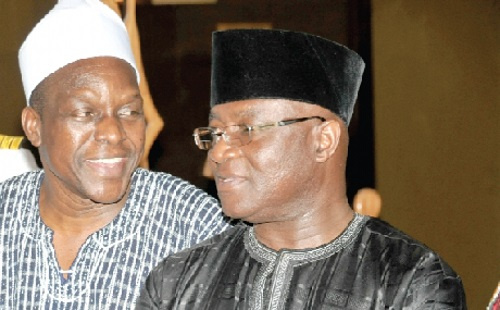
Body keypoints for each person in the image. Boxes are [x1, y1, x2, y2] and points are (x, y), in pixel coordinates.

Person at [137, 29, 467, 309]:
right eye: (216, 133)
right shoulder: (175, 283)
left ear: (323, 140)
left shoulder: (409, 282)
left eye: (246, 130)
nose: (219, 151)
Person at [0, 0, 230, 308]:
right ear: (34, 125)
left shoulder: (195, 226)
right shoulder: (6, 213)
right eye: (85, 112)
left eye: (129, 111)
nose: (114, 132)